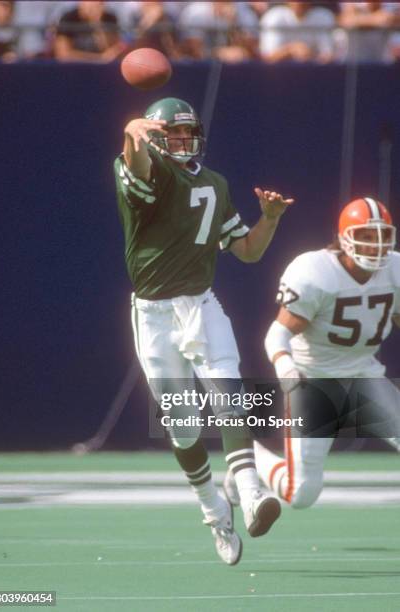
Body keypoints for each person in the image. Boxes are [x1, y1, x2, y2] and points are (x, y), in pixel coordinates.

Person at [113, 97, 294, 565]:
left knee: (229, 389)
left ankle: (251, 492)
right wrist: (134, 129)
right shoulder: (145, 169)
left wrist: (269, 220)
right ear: (156, 138)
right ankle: (214, 507)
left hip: (201, 302)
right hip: (153, 314)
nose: (182, 140)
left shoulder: (214, 183)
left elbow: (248, 251)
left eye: (186, 132)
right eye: (171, 134)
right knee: (183, 425)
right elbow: (136, 162)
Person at [224, 196, 400, 511]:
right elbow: (277, 333)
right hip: (315, 381)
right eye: (365, 236)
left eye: (382, 236)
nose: (375, 246)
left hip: (364, 376)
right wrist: (285, 365)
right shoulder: (317, 272)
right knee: (301, 493)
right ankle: (248, 461)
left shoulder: (395, 270)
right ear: (344, 238)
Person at [259, 2, 336, 63]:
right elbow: (267, 58)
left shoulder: (324, 17)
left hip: (314, 76)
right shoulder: (274, 16)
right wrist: (290, 50)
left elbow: (329, 56)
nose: (299, 3)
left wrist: (309, 55)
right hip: (278, 76)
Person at [53, 0, 125, 62]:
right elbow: (63, 54)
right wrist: (99, 58)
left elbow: (111, 50)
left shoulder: (109, 18)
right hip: (75, 67)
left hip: (102, 68)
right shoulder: (68, 18)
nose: (95, 4)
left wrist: (96, 23)